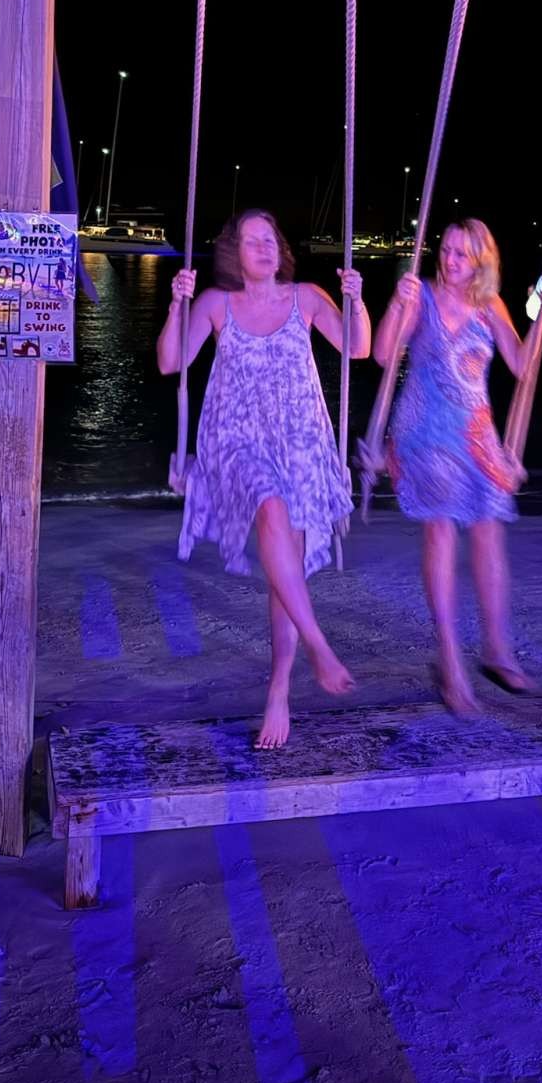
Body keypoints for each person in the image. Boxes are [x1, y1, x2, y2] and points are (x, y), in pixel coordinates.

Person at [158, 209, 371, 747]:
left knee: (286, 568)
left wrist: (357, 300)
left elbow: (358, 347)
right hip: (236, 441)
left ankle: (279, 690)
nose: (264, 247)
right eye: (253, 240)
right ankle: (319, 646)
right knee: (271, 506)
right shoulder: (216, 303)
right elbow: (170, 362)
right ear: (234, 252)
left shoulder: (306, 297)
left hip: (299, 441)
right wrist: (176, 304)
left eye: (271, 238)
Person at [372, 218, 542, 716]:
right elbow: (383, 355)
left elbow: (521, 365)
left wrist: (540, 317)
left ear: (480, 260)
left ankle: (497, 651)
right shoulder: (422, 298)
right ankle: (450, 660)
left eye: (461, 254)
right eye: (447, 250)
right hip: (424, 431)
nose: (450, 260)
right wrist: (395, 304)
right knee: (441, 531)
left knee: (489, 530)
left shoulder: (490, 304)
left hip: (476, 433)